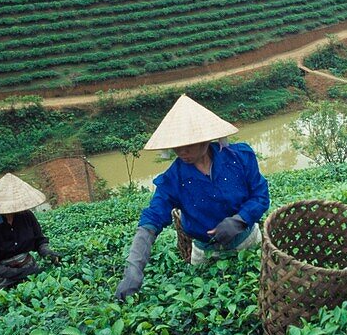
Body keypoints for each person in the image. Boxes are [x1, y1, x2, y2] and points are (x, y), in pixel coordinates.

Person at [115, 95, 270, 300]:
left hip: (248, 244)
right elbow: (152, 219)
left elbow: (260, 195)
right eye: (176, 146)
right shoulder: (174, 179)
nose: (182, 151)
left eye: (188, 144)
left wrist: (240, 220)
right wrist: (134, 268)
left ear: (205, 139)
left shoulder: (239, 157)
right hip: (205, 254)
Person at [0, 173, 61, 293]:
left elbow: (39, 240)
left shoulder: (26, 216)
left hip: (28, 267)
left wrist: (46, 252)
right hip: (3, 277)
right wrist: (19, 273)